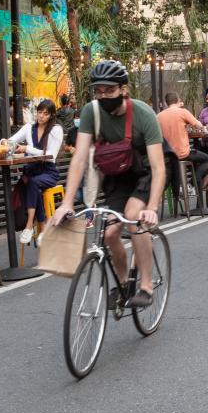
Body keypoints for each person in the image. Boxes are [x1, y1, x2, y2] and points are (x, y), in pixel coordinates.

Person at [49, 60, 165, 310]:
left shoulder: (144, 115)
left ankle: (145, 285)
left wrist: (152, 207)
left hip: (143, 173)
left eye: (109, 90)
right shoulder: (91, 111)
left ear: (124, 89)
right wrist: (67, 203)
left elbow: (158, 167)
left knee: (135, 218)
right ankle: (123, 285)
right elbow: (79, 158)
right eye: (98, 91)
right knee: (110, 233)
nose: (103, 96)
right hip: (115, 175)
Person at [8, 98, 64, 244]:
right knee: (34, 186)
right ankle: (43, 228)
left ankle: (29, 226)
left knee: (33, 183)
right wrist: (4, 144)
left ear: (51, 115)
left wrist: (27, 148)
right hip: (31, 172)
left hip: (48, 172)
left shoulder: (55, 130)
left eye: (45, 114)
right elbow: (11, 141)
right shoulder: (29, 128)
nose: (41, 116)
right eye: (40, 112)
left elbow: (51, 156)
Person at [157, 92, 208, 205]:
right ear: (178, 100)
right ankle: (191, 185)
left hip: (167, 156)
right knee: (206, 159)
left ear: (167, 103)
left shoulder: (159, 116)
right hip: (183, 154)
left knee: (194, 163)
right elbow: (200, 126)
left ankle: (186, 188)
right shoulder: (182, 112)